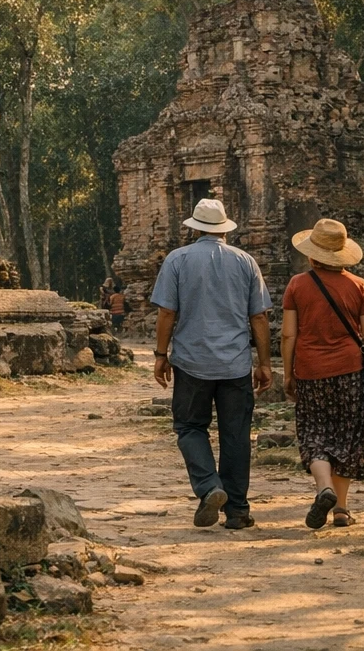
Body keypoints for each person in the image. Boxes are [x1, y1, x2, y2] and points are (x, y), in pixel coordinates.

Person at [150, 198, 273, 530]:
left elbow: (166, 313)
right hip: (235, 364)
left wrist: (161, 355)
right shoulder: (246, 262)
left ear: (194, 229)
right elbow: (259, 317)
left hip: (191, 362)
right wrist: (264, 363)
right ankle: (237, 511)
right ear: (224, 230)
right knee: (236, 435)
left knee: (190, 427)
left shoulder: (177, 260)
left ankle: (209, 487)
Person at [281, 218, 364, 529]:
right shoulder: (358, 286)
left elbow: (289, 335)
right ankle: (342, 510)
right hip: (350, 372)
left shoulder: (297, 285)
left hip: (309, 371)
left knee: (314, 434)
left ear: (311, 254)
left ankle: (325, 489)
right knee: (348, 436)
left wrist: (287, 373)